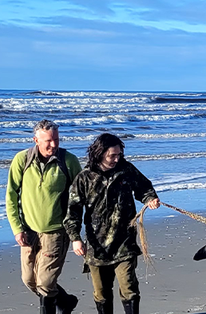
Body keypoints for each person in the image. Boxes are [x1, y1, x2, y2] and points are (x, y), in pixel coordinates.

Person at [64, 133, 160, 314]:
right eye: (112, 155)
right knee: (101, 293)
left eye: (119, 155)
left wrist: (150, 199)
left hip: (125, 242)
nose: (117, 159)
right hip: (97, 246)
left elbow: (144, 187)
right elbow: (73, 211)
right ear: (100, 153)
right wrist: (75, 238)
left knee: (129, 287)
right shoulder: (84, 178)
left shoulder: (126, 170)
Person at [6, 119, 83, 314]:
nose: (54, 144)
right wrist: (17, 229)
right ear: (36, 139)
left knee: (46, 283)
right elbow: (11, 196)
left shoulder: (69, 161)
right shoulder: (21, 160)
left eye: (56, 139)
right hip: (29, 231)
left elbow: (81, 195)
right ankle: (66, 302)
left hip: (56, 232)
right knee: (29, 280)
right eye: (48, 140)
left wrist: (76, 234)